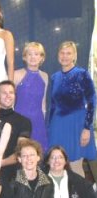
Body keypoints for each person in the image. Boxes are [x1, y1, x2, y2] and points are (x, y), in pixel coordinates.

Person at [48, 41, 97, 177]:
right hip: (58, 125)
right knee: (56, 164)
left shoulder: (82, 74)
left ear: (75, 55)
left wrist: (87, 128)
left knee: (75, 166)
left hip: (77, 124)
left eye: (69, 53)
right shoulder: (55, 77)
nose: (65, 56)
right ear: (58, 55)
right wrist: (50, 127)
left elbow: (92, 101)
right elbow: (53, 104)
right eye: (62, 53)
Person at [0, 80, 32, 198]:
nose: (8, 96)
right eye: (4, 93)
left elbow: (21, 153)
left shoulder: (24, 122)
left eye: (11, 92)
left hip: (11, 169)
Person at [14, 42, 48, 152]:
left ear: (41, 57)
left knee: (38, 153)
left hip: (38, 121)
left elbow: (43, 102)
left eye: (36, 54)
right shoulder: (16, 74)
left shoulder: (45, 76)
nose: (33, 57)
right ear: (24, 56)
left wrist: (42, 122)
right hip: (20, 119)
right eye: (30, 54)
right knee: (20, 152)